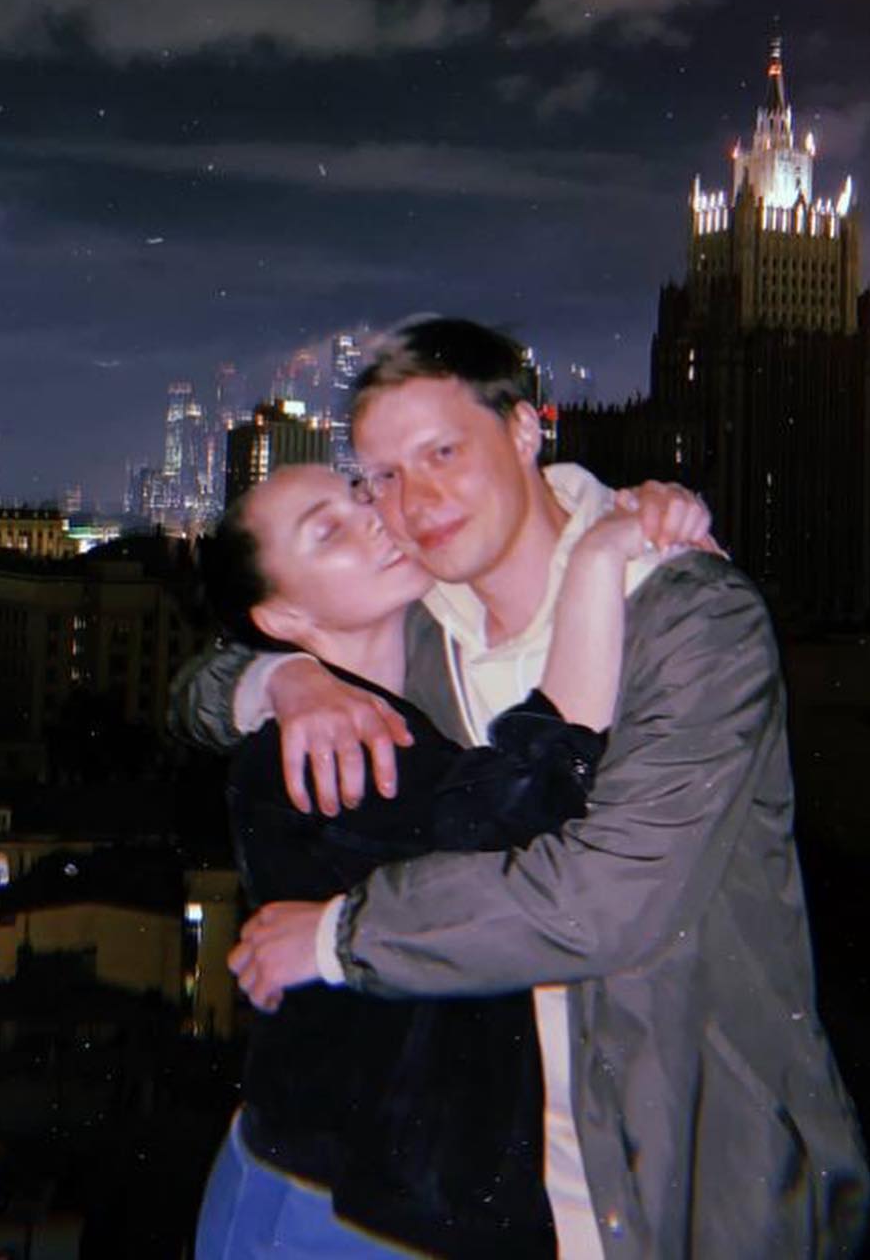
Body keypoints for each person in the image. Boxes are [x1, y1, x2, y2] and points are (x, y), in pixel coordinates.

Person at [175, 317, 870, 1260]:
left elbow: (607, 899)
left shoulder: (686, 616)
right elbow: (204, 681)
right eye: (381, 477)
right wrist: (281, 678)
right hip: (469, 1207)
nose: (410, 502)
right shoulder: (416, 620)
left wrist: (342, 937)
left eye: (442, 452)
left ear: (524, 430)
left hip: (679, 1193)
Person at [192, 460, 709, 1259]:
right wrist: (600, 556)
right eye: (328, 530)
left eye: (357, 494)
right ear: (286, 612)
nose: (371, 516)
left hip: (387, 1205)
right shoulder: (313, 759)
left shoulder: (416, 679)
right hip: (330, 1219)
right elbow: (523, 807)